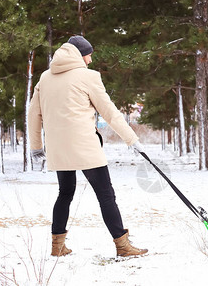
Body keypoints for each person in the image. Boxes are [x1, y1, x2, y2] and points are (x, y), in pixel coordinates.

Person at [28, 35, 148, 258]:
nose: (91, 60)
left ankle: (57, 246)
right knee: (106, 194)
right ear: (80, 54)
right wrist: (132, 139)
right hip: (84, 145)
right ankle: (122, 246)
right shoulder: (88, 76)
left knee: (65, 193)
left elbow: (33, 114)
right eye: (89, 55)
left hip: (58, 148)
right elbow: (110, 112)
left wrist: (36, 146)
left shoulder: (44, 78)